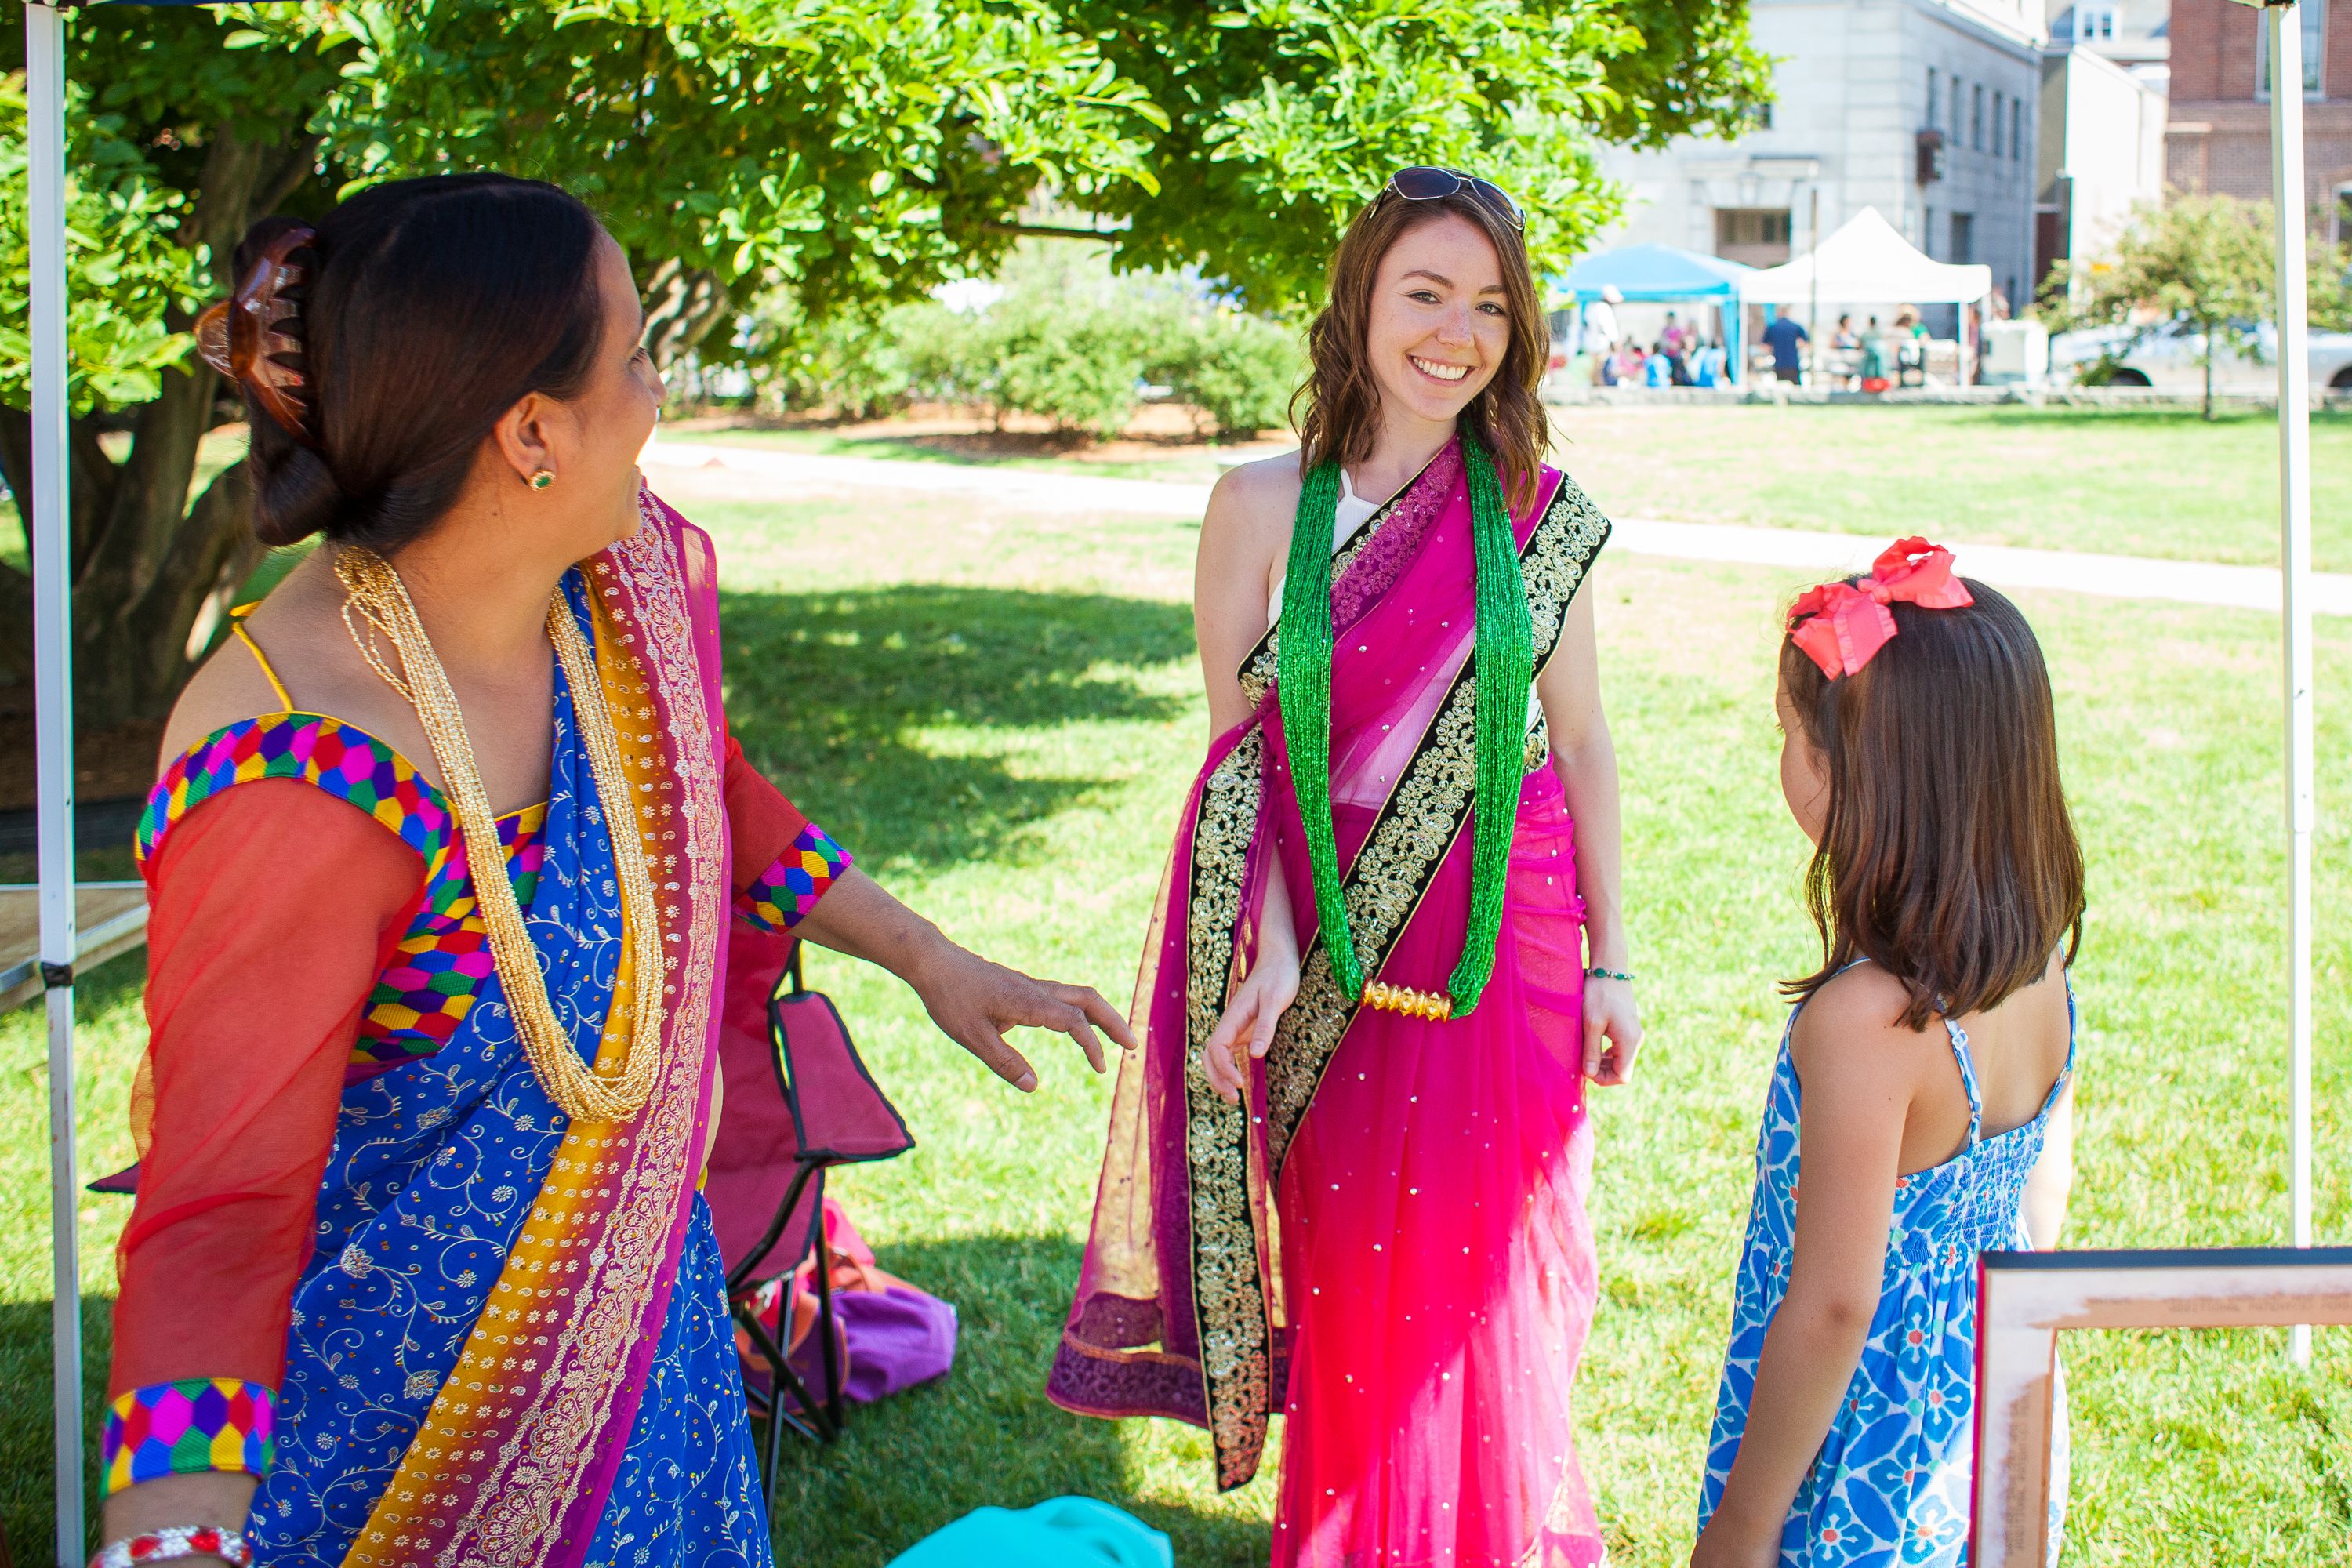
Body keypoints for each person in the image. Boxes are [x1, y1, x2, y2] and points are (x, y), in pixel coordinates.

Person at [99, 173, 1133, 1568]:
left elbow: (709, 791)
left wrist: (928, 956)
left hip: (649, 1364)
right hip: (402, 1470)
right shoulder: (301, 773)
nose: (658, 397)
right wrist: (170, 1537)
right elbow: (218, 1216)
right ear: (531, 431)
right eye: (639, 356)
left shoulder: (599, 602)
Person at [1051, 165, 1639, 1568]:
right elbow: (1237, 760)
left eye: (1490, 304)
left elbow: (1586, 737)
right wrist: (1264, 943)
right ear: (1360, 300)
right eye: (1426, 292)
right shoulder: (1259, 505)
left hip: (1509, 938)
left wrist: (1615, 958)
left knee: (1483, 1287)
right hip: (1326, 940)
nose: (1458, 331)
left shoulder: (1537, 513)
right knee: (1360, 1280)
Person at [1691, 539, 2081, 1568]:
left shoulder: (1868, 1023)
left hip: (1868, 1438)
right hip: (1996, 1396)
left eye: (1790, 736)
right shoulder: (2037, 962)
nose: (1783, 759)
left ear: (1849, 776)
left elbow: (1834, 1304)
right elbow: (2043, 1196)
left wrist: (1745, 1520)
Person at [1763, 306, 1809, 385]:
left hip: (1779, 363)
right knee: (1796, 389)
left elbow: (1764, 345)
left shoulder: (1772, 327)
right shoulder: (1796, 326)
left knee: (1782, 388)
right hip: (1793, 362)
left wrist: (1773, 351)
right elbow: (1806, 343)